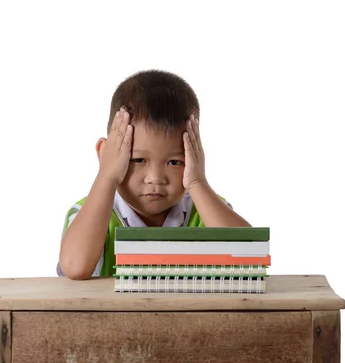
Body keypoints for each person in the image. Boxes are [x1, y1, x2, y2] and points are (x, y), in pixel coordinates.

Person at [57, 69, 251, 279]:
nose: (155, 178)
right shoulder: (89, 212)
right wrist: (107, 175)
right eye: (138, 160)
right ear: (106, 154)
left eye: (175, 161)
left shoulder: (205, 210)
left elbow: (249, 258)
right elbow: (76, 267)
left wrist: (197, 182)